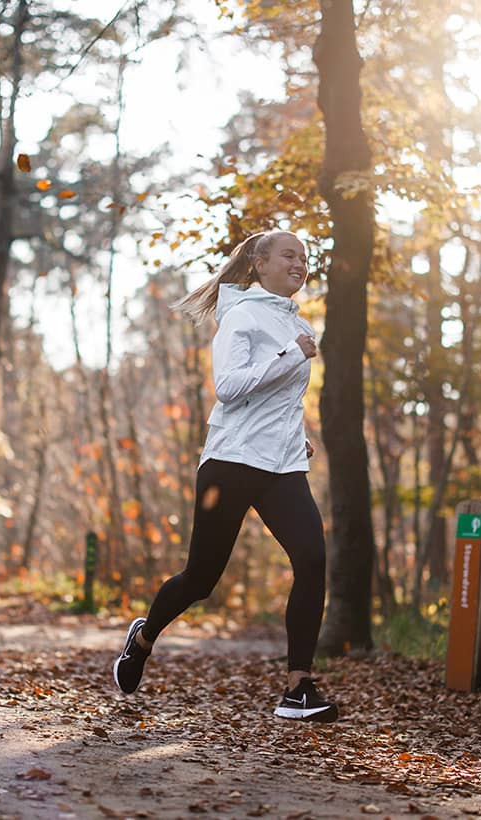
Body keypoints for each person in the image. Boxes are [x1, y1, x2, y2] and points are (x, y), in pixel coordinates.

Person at [112, 229, 337, 722]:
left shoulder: (294, 322)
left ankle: (298, 687)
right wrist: (291, 354)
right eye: (289, 255)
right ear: (259, 263)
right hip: (232, 461)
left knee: (312, 558)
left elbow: (280, 400)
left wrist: (294, 436)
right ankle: (144, 637)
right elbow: (230, 388)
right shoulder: (242, 315)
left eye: (304, 258)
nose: (300, 264)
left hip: (281, 465)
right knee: (201, 579)